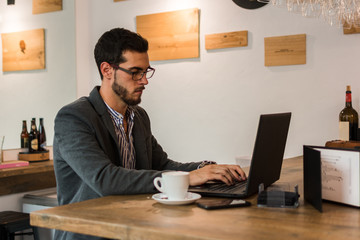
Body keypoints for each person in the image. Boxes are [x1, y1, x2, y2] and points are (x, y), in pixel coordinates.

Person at [53, 28, 246, 240]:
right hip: (91, 233)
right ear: (107, 70)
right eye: (135, 72)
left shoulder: (138, 116)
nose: (144, 80)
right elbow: (104, 179)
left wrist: (206, 169)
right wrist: (189, 178)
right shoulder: (73, 117)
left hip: (134, 226)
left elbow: (162, 165)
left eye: (146, 71)